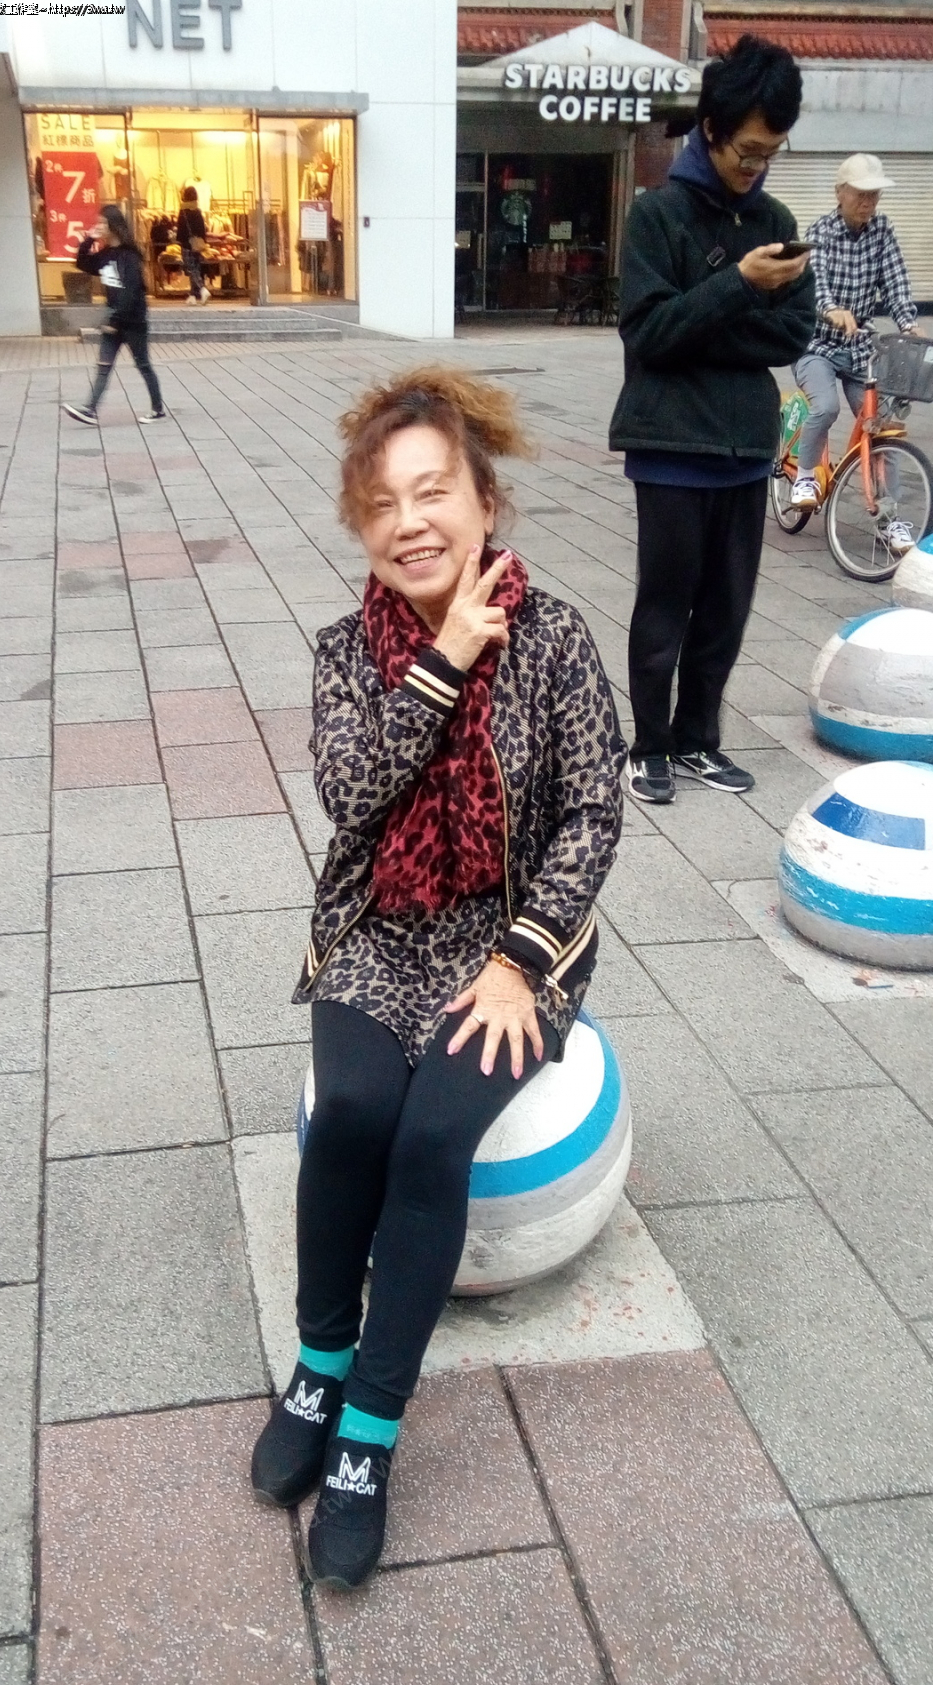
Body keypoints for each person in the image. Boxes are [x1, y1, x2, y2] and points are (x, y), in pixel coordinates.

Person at [250, 368, 625, 1590]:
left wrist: (520, 961)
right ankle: (318, 1362)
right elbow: (352, 796)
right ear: (360, 524)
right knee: (353, 1109)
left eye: (432, 492)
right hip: (381, 926)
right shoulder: (343, 652)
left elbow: (593, 811)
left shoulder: (557, 639)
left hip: (514, 936)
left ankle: (367, 1426)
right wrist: (445, 658)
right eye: (382, 503)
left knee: (429, 1138)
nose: (409, 522)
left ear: (483, 501)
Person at [609, 34, 816, 806]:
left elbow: (791, 335)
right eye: (746, 150)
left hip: (745, 448)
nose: (755, 165)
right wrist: (738, 288)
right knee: (665, 606)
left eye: (770, 152)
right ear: (711, 130)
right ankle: (649, 746)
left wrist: (706, 321)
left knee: (727, 611)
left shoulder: (777, 217)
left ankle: (699, 739)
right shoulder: (656, 216)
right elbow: (649, 334)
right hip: (669, 446)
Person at [790, 152, 921, 554]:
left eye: (874, 194)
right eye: (861, 193)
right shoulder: (822, 230)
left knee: (882, 426)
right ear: (840, 193)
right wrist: (831, 309)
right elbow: (816, 282)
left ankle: (890, 518)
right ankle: (805, 475)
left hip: (861, 347)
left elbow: (895, 281)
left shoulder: (882, 230)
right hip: (818, 344)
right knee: (825, 406)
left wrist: (908, 323)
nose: (868, 201)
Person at [63, 206, 165, 426]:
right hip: (113, 319)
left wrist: (115, 320)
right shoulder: (106, 254)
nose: (99, 226)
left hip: (132, 321)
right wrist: (89, 240)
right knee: (104, 366)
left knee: (143, 365)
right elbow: (82, 263)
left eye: (102, 223)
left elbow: (131, 291)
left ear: (113, 225)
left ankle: (158, 409)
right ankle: (90, 410)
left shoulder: (130, 256)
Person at [177, 186, 211, 305]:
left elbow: (181, 229)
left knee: (190, 268)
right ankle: (193, 295)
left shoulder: (183, 212)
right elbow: (202, 229)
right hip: (198, 244)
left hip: (187, 244)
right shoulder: (197, 211)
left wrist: (180, 241)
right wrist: (202, 241)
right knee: (196, 267)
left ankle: (202, 289)